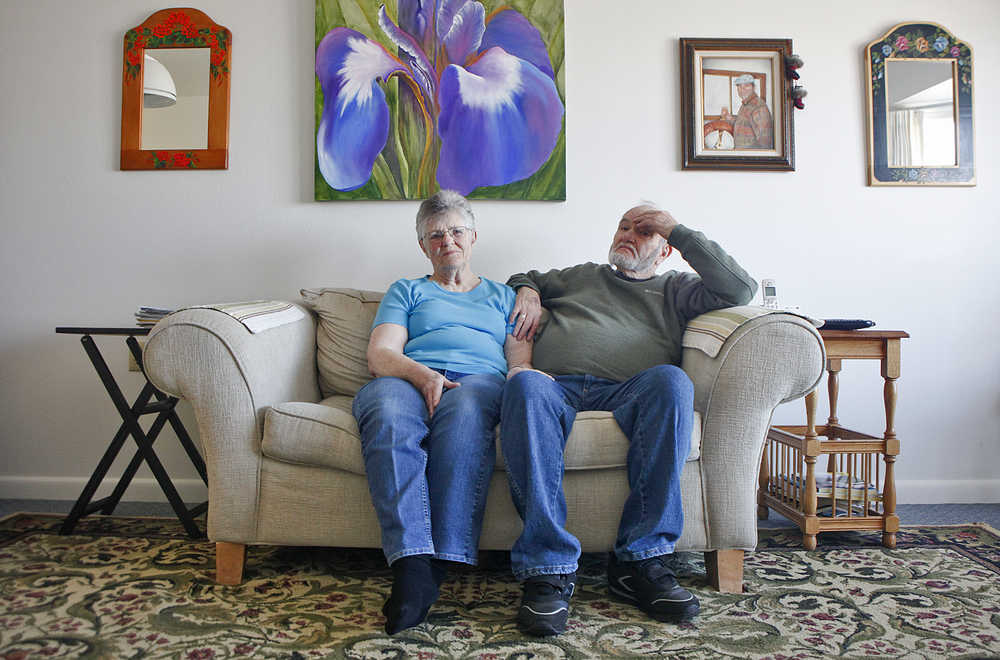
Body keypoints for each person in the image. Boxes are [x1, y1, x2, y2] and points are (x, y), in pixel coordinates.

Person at [502, 203, 757, 636]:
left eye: (644, 231)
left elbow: (739, 290)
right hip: (555, 385)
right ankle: (548, 568)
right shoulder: (580, 275)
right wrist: (526, 290)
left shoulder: (677, 288)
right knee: (523, 385)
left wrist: (676, 228)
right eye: (623, 226)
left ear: (665, 251)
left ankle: (641, 562)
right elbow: (518, 279)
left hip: (630, 389)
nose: (628, 234)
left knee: (673, 382)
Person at [352, 190, 531, 634]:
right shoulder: (407, 290)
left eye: (455, 231)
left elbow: (519, 362)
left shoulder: (504, 296)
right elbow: (381, 354)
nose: (446, 240)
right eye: (435, 234)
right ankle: (413, 565)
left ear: (473, 237)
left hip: (478, 380)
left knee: (466, 411)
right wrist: (422, 375)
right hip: (408, 376)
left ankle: (442, 560)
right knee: (385, 410)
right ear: (423, 246)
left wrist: (522, 384)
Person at [721, 73, 774, 149]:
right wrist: (728, 117)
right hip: (742, 154)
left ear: (753, 87)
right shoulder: (745, 104)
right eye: (739, 86)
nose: (742, 89)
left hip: (751, 157)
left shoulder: (758, 107)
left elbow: (765, 141)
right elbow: (743, 123)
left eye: (746, 86)